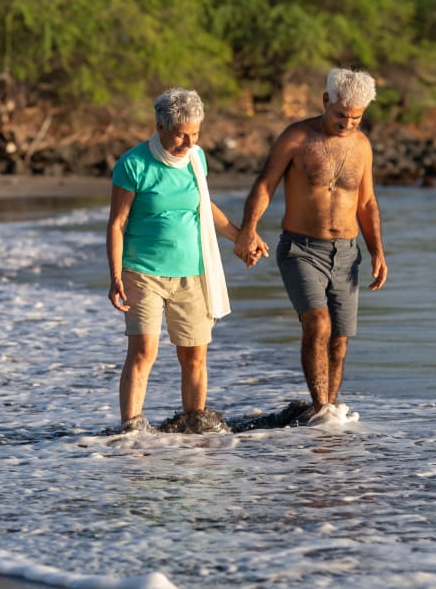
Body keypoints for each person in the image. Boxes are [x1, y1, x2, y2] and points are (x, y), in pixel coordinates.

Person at [107, 88, 267, 433]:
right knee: (143, 352)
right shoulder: (133, 165)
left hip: (193, 272)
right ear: (160, 126)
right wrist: (115, 276)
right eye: (181, 134)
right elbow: (117, 224)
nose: (188, 141)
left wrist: (242, 236)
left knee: (194, 355)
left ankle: (195, 429)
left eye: (195, 134)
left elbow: (203, 207)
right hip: (142, 272)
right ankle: (131, 431)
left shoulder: (197, 158)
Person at [234, 68, 388, 421]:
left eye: (356, 118)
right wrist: (249, 229)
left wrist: (378, 250)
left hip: (347, 253)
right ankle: (320, 409)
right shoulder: (297, 137)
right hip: (301, 250)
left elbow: (367, 203)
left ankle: (328, 414)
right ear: (325, 101)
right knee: (318, 324)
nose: (348, 124)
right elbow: (265, 184)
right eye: (340, 115)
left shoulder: (362, 145)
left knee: (340, 339)